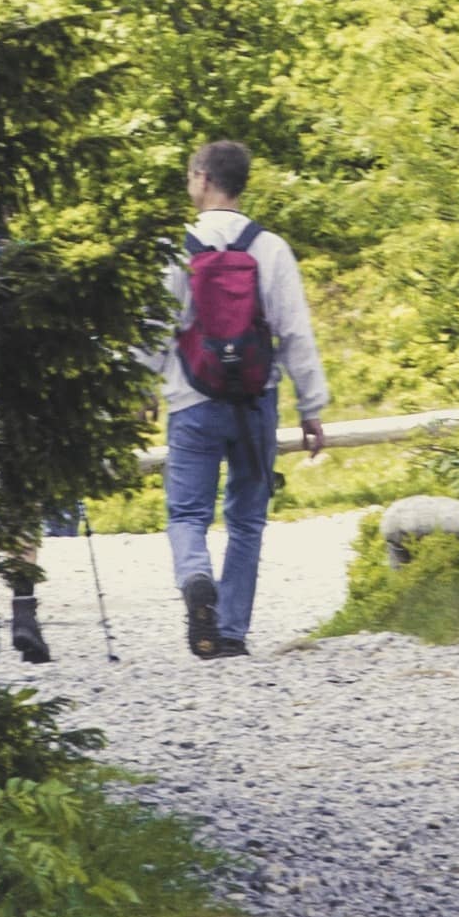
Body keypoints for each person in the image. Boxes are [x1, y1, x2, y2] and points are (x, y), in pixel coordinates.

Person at [157, 137, 327, 658]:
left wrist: (142, 388)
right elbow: (295, 333)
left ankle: (196, 580)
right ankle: (230, 631)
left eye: (191, 176)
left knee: (187, 514)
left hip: (192, 399)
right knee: (247, 519)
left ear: (204, 179)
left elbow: (152, 328)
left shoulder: (176, 249)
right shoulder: (269, 247)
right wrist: (312, 408)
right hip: (256, 402)